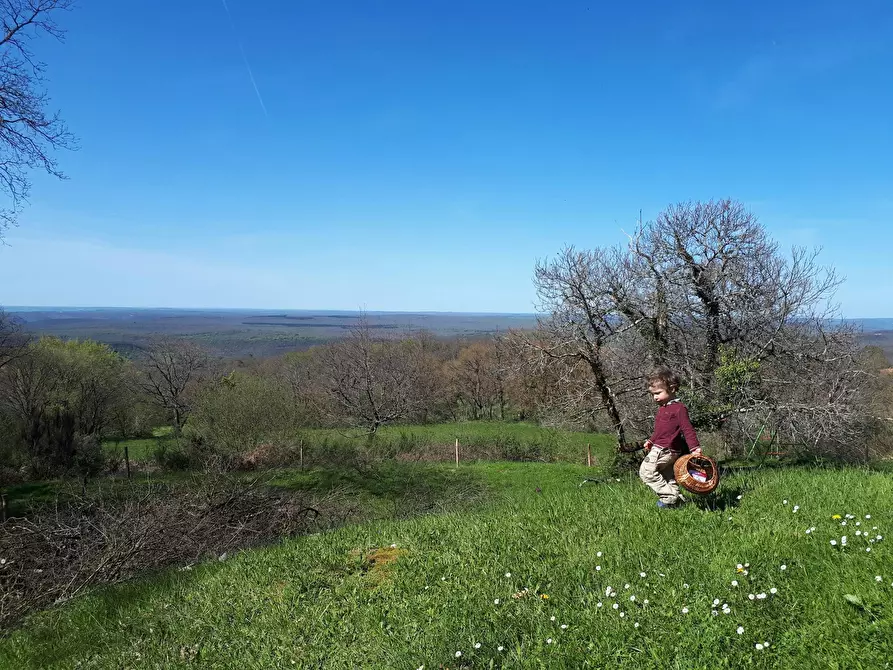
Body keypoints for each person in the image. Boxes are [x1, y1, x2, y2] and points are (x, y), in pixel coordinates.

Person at [639, 367, 702, 508]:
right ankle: (678, 502)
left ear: (672, 389)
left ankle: (669, 497)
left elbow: (688, 429)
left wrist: (695, 448)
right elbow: (660, 430)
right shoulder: (663, 408)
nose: (655, 397)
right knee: (667, 476)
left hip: (665, 449)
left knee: (646, 472)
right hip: (662, 447)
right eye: (652, 394)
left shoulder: (679, 408)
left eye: (658, 393)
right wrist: (651, 441)